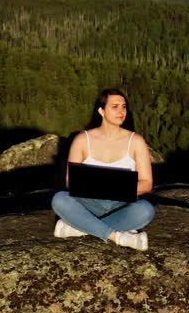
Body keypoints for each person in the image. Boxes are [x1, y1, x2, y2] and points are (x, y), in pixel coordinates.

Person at [50, 88, 155, 251]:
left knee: (146, 210)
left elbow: (147, 183)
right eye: (115, 107)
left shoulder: (136, 141)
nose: (121, 111)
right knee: (59, 199)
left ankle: (80, 227)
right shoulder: (82, 140)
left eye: (124, 106)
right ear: (101, 110)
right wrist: (108, 186)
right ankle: (118, 236)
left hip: (120, 204)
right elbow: (71, 182)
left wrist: (110, 188)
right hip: (89, 204)